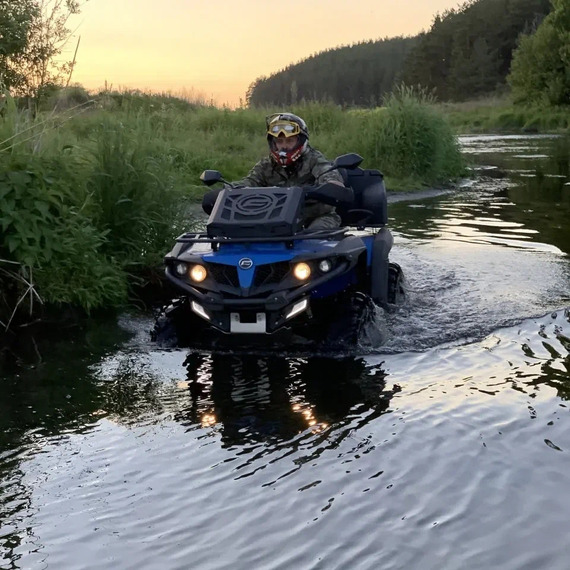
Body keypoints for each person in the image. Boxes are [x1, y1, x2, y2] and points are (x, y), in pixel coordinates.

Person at [233, 112, 346, 230]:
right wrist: (227, 190)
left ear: (301, 141)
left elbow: (330, 177)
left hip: (314, 217)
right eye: (279, 141)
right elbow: (248, 183)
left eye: (290, 141)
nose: (284, 146)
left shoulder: (315, 160)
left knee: (316, 235)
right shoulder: (266, 165)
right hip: (275, 219)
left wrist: (325, 187)